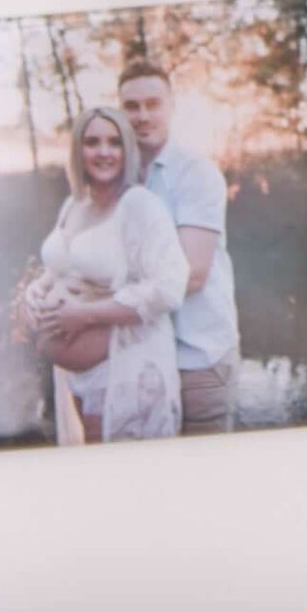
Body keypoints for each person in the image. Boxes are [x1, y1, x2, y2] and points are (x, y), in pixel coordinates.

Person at [26, 106, 187, 445]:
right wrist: (35, 293)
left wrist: (83, 315)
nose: (103, 152)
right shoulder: (74, 204)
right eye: (92, 142)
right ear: (77, 150)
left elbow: (170, 287)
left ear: (127, 150)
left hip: (122, 370)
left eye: (114, 143)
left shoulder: (140, 205)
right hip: (73, 376)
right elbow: (60, 267)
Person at [117, 60, 242, 436]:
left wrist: (93, 308)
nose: (142, 116)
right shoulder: (118, 177)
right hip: (142, 357)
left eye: (153, 104)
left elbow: (193, 274)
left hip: (197, 356)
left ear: (171, 106)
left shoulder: (195, 174)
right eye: (131, 106)